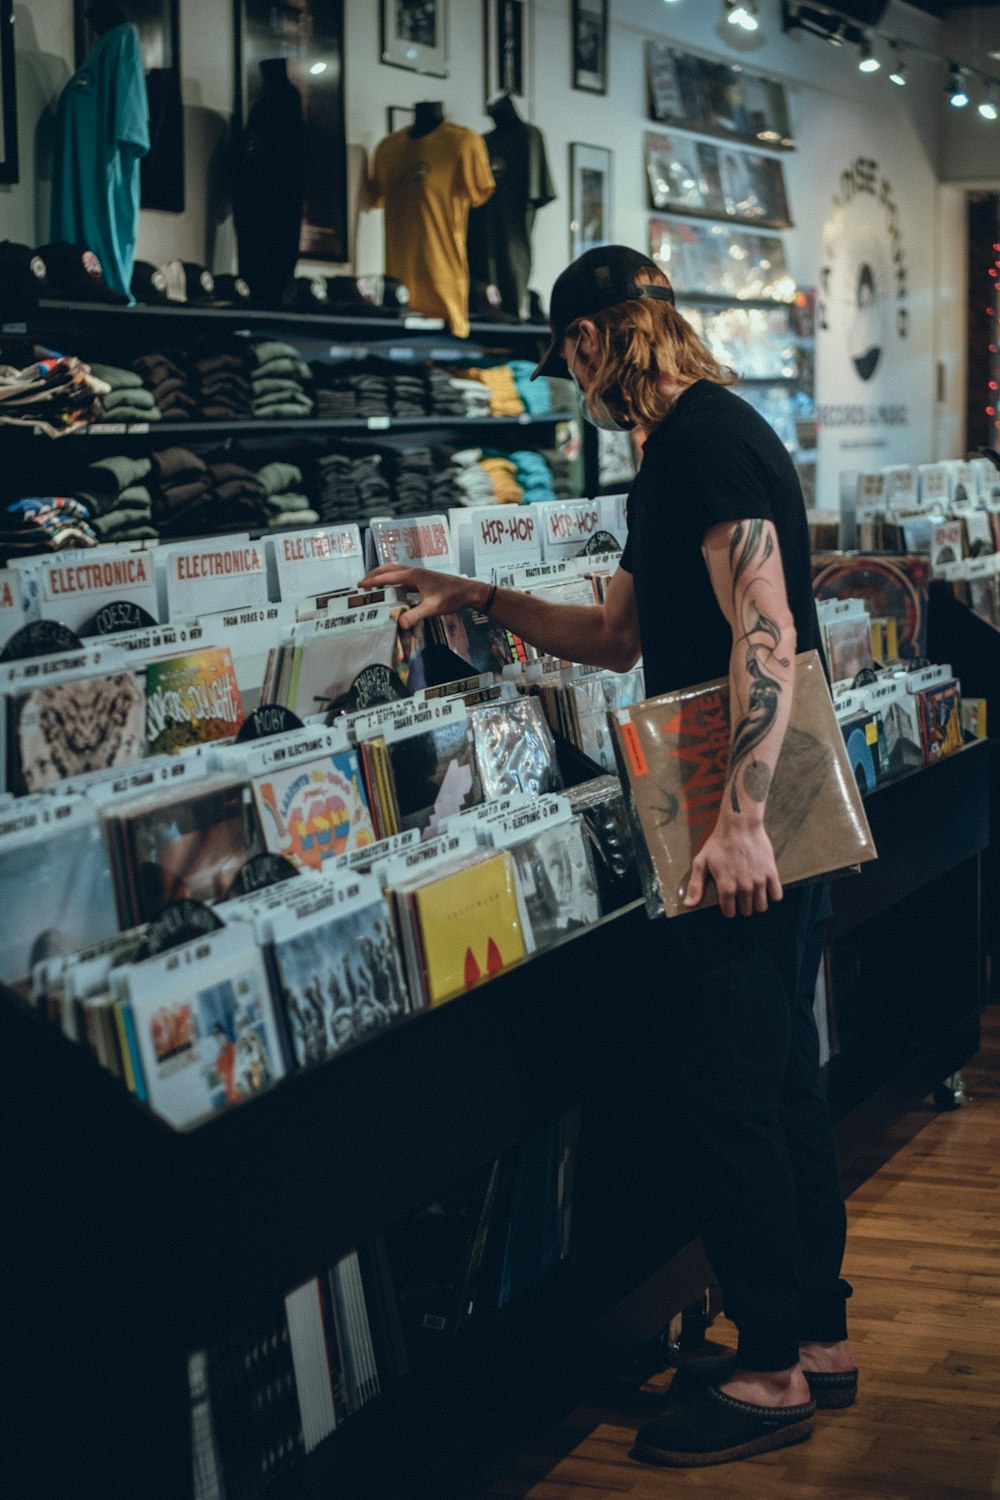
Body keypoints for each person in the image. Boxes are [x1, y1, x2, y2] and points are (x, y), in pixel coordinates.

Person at [360, 243, 856, 1468]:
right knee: (779, 1066)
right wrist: (475, 597)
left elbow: (766, 631)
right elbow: (621, 632)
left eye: (567, 359)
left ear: (587, 341)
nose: (573, 381)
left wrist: (736, 818)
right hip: (755, 780)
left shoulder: (700, 443)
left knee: (736, 1084)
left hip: (735, 789)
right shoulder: (691, 445)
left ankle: (769, 1373)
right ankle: (814, 1336)